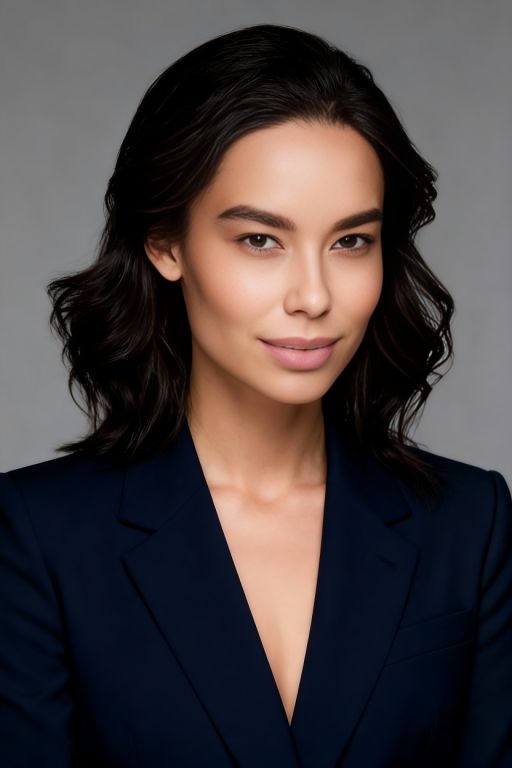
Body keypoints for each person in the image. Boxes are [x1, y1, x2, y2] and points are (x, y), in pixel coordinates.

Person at [0, 22, 510, 768]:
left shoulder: (470, 528)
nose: (313, 295)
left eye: (351, 241)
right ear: (165, 243)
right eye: (260, 240)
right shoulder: (39, 538)